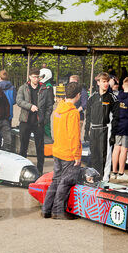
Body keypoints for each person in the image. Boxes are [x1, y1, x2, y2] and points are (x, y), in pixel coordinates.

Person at [42, 82, 83, 220]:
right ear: (78, 95)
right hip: (68, 153)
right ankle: (58, 211)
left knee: (56, 180)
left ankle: (46, 209)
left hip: (58, 149)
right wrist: (77, 155)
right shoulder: (73, 113)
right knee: (65, 183)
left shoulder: (58, 109)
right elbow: (74, 136)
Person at [16, 68, 54, 174]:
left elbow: (49, 106)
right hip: (25, 121)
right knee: (23, 146)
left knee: (40, 148)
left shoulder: (45, 89)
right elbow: (18, 101)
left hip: (38, 123)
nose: (36, 79)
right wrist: (30, 106)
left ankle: (40, 171)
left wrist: (44, 119)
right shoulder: (23, 88)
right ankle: (21, 170)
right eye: (34, 77)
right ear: (29, 77)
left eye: (37, 77)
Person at [85, 72, 115, 178]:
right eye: (103, 82)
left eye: (107, 81)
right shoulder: (92, 98)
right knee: (94, 156)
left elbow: (116, 118)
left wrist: (113, 135)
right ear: (98, 82)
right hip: (94, 130)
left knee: (104, 156)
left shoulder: (112, 98)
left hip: (106, 129)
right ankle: (95, 178)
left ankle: (105, 178)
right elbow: (87, 116)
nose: (106, 84)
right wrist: (86, 131)